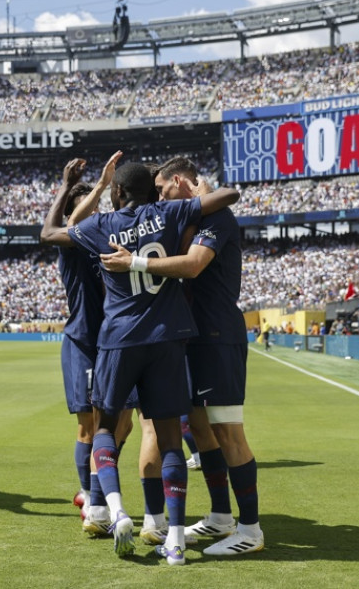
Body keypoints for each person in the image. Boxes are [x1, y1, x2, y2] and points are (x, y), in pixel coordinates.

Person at [41, 154, 240, 564]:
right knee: (169, 438)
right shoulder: (168, 212)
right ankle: (176, 541)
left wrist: (84, 187)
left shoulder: (101, 225)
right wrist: (197, 190)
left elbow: (50, 233)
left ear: (117, 191)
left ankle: (113, 511)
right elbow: (230, 195)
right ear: (152, 192)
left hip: (118, 339)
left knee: (105, 429)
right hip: (168, 339)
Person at [100, 155, 263, 556]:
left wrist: (133, 261)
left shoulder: (216, 217)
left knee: (228, 431)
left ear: (178, 182)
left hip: (216, 334)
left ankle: (251, 529)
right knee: (202, 430)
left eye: (162, 190)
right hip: (193, 336)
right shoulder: (186, 217)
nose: (158, 198)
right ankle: (222, 518)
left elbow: (192, 267)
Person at [46, 157, 137, 536]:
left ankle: (96, 492)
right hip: (85, 340)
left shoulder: (104, 235)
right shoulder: (72, 243)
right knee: (91, 426)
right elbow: (65, 226)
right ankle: (93, 498)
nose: (94, 212)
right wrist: (94, 186)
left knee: (124, 424)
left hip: (117, 340)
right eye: (88, 207)